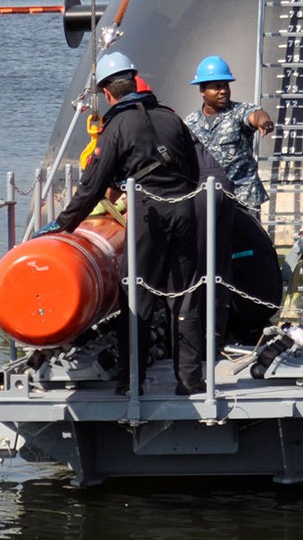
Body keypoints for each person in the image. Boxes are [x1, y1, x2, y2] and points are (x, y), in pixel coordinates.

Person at [44, 51, 205, 396]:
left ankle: (132, 380)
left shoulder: (116, 127)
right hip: (184, 210)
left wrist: (63, 224)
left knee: (136, 294)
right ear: (135, 82)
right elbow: (193, 172)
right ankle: (190, 381)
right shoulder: (172, 118)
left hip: (147, 213)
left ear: (107, 93)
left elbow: (93, 185)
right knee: (185, 295)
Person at [183, 55, 274, 214]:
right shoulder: (190, 123)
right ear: (202, 90)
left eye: (226, 86)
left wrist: (263, 121)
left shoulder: (239, 112)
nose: (223, 91)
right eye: (217, 87)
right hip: (208, 198)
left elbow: (256, 115)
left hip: (242, 198)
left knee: (247, 239)